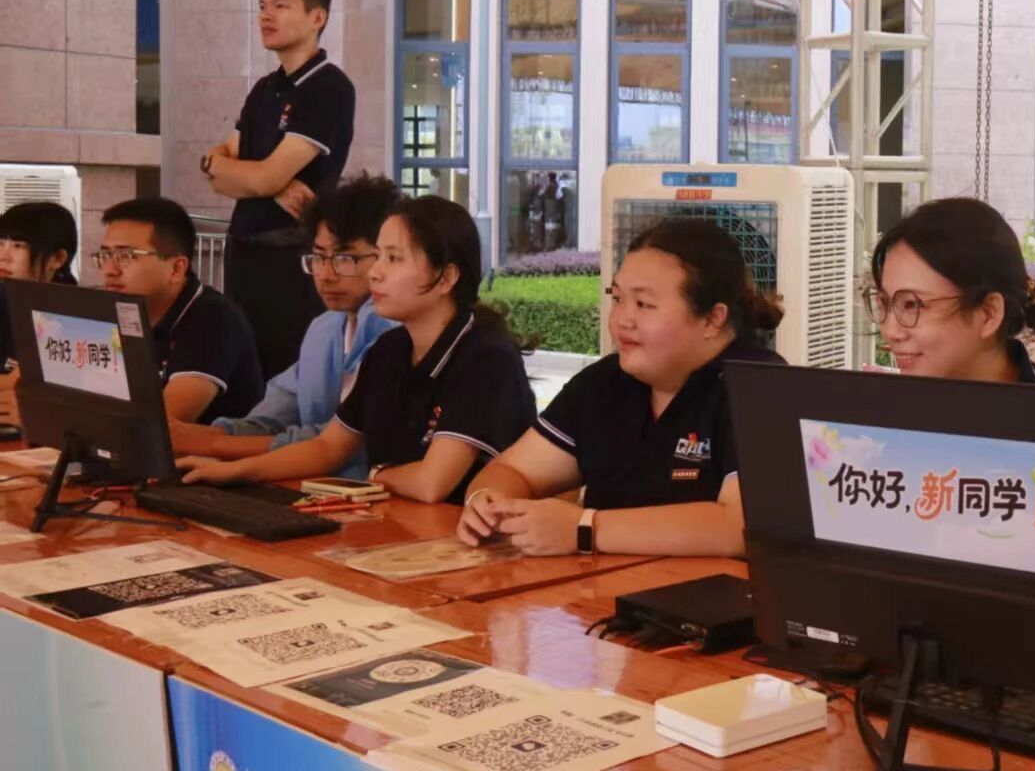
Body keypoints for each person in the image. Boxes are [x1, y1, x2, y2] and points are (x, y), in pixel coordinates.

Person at [456, 218, 785, 557]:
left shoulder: (762, 388)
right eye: (617, 299)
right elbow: (512, 470)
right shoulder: (605, 383)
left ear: (712, 319)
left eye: (643, 305)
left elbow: (740, 527)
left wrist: (585, 529)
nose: (622, 320)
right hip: (602, 585)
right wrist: (487, 503)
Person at [177, 196, 534, 503]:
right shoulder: (389, 349)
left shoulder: (484, 356)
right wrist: (236, 472)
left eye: (394, 259)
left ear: (446, 278)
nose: (375, 273)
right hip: (401, 527)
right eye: (378, 256)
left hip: (469, 538)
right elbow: (328, 448)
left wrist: (376, 474)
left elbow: (431, 484)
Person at [168, 174, 402, 477]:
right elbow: (273, 418)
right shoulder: (324, 329)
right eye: (319, 257)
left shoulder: (397, 331)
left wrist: (214, 444)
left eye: (345, 258)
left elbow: (341, 443)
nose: (326, 275)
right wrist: (202, 437)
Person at [203, 0, 356, 378]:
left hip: (290, 256)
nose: (266, 16)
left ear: (317, 17)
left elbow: (262, 176)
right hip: (243, 250)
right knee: (244, 368)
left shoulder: (328, 87)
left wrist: (251, 177)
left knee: (286, 373)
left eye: (281, 6)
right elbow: (221, 161)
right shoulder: (264, 89)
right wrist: (226, 167)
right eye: (262, 6)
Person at [97, 197, 264, 426]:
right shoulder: (122, 312)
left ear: (176, 268)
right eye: (105, 255)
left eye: (125, 256)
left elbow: (160, 424)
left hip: (207, 449)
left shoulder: (214, 319)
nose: (109, 270)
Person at [865, 197, 1035, 384]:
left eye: (912, 304)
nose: (890, 332)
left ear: (988, 314)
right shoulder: (882, 405)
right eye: (884, 303)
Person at [0, 200, 79, 370]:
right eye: (0, 243)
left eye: (18, 246)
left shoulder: (78, 312)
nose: (3, 256)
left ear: (57, 258)